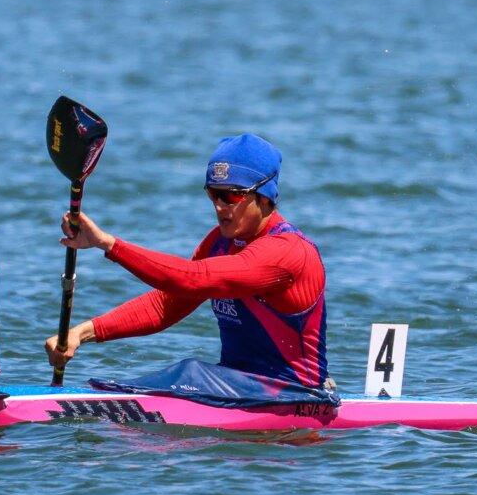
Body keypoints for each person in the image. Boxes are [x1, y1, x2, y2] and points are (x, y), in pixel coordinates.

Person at [45, 133, 331, 391]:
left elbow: (192, 278)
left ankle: (102, 401)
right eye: (213, 194)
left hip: (290, 394)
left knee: (191, 372)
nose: (219, 207)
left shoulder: (287, 252)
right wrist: (80, 333)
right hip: (237, 387)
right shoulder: (219, 242)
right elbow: (166, 304)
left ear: (265, 198)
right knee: (189, 377)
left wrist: (108, 244)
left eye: (231, 195)